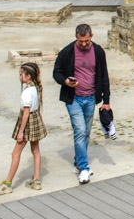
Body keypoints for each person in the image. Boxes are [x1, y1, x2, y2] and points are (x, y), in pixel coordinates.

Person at [53, 24, 111, 185]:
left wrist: (106, 101)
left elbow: (104, 76)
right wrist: (65, 81)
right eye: (81, 41)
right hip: (74, 98)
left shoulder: (98, 51)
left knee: (85, 133)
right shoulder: (67, 52)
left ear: (92, 36)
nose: (84, 44)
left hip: (90, 97)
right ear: (76, 37)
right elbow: (56, 72)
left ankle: (78, 162)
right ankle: (84, 168)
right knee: (79, 130)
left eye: (86, 41)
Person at [0, 62, 47, 195]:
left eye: (21, 74)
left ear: (28, 76)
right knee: (35, 150)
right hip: (35, 120)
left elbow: (26, 113)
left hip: (27, 123)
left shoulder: (26, 92)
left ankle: (8, 184)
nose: (19, 77)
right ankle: (36, 180)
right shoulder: (36, 88)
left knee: (15, 153)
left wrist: (20, 132)